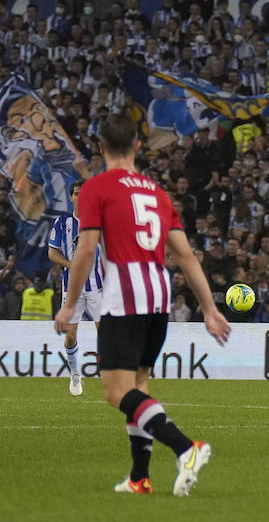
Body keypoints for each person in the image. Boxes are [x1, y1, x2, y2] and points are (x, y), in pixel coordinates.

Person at [53, 115, 232, 496]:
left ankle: (187, 448)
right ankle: (139, 477)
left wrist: (69, 305)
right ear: (137, 146)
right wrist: (210, 309)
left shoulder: (96, 189)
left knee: (116, 392)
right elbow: (184, 255)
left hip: (124, 297)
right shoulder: (156, 192)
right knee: (139, 386)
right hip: (159, 296)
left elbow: (85, 250)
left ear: (101, 148)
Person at [49, 180, 105, 396]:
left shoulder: (99, 223)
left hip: (97, 286)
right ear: (71, 197)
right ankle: (75, 374)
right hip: (71, 287)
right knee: (70, 335)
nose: (80, 197)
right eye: (76, 193)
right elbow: (52, 253)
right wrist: (73, 265)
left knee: (105, 332)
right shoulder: (62, 223)